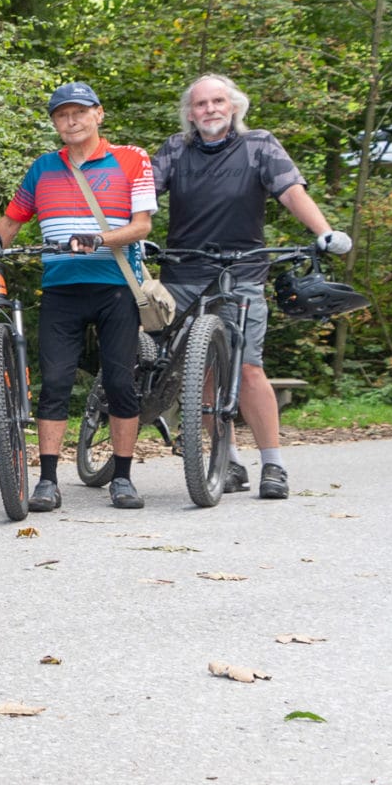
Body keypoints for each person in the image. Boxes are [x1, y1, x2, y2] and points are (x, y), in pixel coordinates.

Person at [156, 73, 350, 499]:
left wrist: (324, 232)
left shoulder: (259, 144)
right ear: (190, 112)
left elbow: (289, 190)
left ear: (234, 107)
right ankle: (228, 460)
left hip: (242, 272)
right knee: (201, 372)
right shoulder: (175, 148)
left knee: (248, 368)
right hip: (183, 273)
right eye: (201, 103)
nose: (210, 109)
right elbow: (143, 196)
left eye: (218, 101)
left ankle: (273, 464)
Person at [0, 81, 155, 512]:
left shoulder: (132, 159)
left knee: (120, 381)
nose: (71, 120)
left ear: (99, 114)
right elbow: (10, 222)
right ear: (55, 123)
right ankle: (46, 481)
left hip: (116, 286)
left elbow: (142, 227)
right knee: (56, 383)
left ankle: (122, 478)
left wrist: (99, 237)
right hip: (61, 288)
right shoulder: (42, 168)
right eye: (62, 115)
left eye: (79, 112)